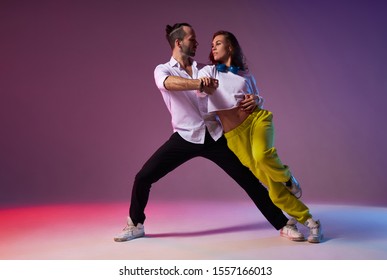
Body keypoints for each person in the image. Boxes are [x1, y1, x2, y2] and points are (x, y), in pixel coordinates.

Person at [114, 23, 305, 243]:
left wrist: (257, 99)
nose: (197, 43)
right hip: (185, 137)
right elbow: (168, 84)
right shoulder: (163, 70)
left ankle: (283, 224)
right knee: (143, 177)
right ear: (178, 42)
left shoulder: (207, 68)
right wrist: (198, 84)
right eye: (192, 39)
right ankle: (135, 224)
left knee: (250, 180)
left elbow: (236, 88)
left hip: (215, 136)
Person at [197, 30, 323, 243]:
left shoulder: (246, 75)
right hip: (235, 137)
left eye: (218, 43)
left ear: (230, 47)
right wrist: (204, 83)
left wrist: (256, 98)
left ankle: (287, 178)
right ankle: (311, 221)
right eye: (212, 44)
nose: (213, 47)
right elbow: (201, 88)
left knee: (263, 155)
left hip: (256, 120)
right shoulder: (209, 71)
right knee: (271, 189)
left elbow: (259, 99)